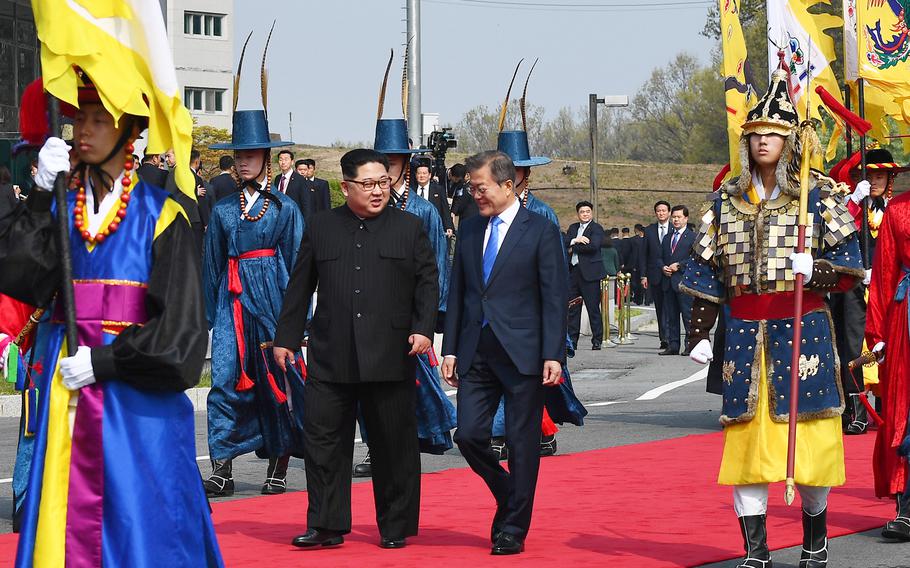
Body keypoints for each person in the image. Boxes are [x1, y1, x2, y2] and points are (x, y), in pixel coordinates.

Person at [0, 71, 223, 566]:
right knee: (65, 519)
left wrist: (106, 361)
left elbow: (182, 335)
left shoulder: (163, 216)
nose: (84, 129)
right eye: (80, 119)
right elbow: (20, 278)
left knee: (143, 518)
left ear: (130, 134)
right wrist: (38, 193)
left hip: (134, 401)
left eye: (99, 121)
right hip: (68, 394)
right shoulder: (60, 209)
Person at [680, 64, 863, 568]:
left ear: (789, 141)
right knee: (746, 449)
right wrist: (698, 332)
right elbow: (705, 271)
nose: (762, 141)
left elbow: (852, 269)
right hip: (742, 335)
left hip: (803, 330)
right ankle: (756, 551)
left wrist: (819, 269)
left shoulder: (820, 195)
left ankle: (815, 540)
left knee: (810, 447)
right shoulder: (724, 203)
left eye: (772, 134)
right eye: (755, 133)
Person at [273, 148, 439, 550]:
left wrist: (423, 329)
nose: (378, 190)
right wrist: (287, 338)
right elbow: (300, 285)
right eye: (368, 184)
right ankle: (326, 525)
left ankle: (395, 526)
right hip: (333, 353)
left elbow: (428, 283)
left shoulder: (409, 227)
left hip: (391, 352)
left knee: (393, 444)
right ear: (345, 187)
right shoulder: (322, 226)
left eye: (384, 182)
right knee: (324, 442)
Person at [442, 150, 568, 555]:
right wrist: (451, 350)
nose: (474, 195)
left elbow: (554, 295)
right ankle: (510, 492)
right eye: (470, 188)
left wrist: (554, 353)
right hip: (476, 351)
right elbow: (459, 291)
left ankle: (513, 527)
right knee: (470, 435)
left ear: (508, 185)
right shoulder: (471, 229)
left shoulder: (540, 230)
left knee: (521, 440)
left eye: (480, 188)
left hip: (525, 353)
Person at [202, 40, 307, 498]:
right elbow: (210, 264)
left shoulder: (285, 207)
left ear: (267, 155)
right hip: (232, 302)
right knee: (224, 379)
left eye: (252, 152)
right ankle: (222, 468)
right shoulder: (223, 209)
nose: (244, 159)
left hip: (274, 300)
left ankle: (278, 468)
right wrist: (210, 316)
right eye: (238, 153)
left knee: (275, 379)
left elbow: (301, 265)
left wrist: (298, 319)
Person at [352, 59, 455, 478]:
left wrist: (430, 320)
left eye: (395, 160)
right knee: (366, 389)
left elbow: (436, 269)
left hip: (409, 313)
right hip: (367, 313)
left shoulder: (423, 211)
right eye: (383, 159)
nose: (389, 167)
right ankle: (378, 447)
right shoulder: (361, 207)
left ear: (406, 163)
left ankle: (406, 444)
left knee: (407, 387)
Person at [829, 147, 903, 434]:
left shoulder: (897, 209)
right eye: (868, 175)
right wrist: (854, 201)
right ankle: (856, 410)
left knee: (889, 344)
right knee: (852, 345)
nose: (874, 181)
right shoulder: (850, 206)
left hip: (888, 287)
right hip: (853, 287)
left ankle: (888, 404)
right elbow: (835, 232)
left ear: (889, 179)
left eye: (880, 176)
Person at [866, 183, 910, 541]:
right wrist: (877, 331)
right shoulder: (898, 209)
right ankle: (907, 507)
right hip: (907, 319)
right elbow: (883, 273)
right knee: (905, 412)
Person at [565, 200, 607, 351]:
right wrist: (576, 240)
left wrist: (573, 247)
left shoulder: (596, 228)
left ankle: (597, 340)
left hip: (590, 274)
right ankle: (572, 340)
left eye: (587, 212)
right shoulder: (573, 228)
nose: (585, 214)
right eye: (582, 212)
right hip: (573, 272)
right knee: (572, 309)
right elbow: (564, 241)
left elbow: (593, 246)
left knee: (593, 308)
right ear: (578, 214)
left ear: (592, 213)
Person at [659, 205, 695, 356]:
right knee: (671, 316)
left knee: (688, 315)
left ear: (686, 218)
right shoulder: (667, 237)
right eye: (674, 217)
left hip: (684, 282)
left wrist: (679, 265)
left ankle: (690, 344)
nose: (676, 220)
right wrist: (663, 267)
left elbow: (696, 259)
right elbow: (659, 256)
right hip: (668, 282)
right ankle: (673, 345)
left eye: (679, 217)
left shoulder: (693, 237)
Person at [640, 200, 672, 350]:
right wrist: (643, 275)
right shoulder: (649, 230)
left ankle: (674, 337)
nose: (661, 213)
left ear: (669, 212)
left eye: (664, 210)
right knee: (660, 307)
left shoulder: (675, 228)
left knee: (671, 307)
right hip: (655, 274)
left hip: (672, 274)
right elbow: (643, 254)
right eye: (658, 211)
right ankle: (664, 338)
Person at [412, 158, 454, 236]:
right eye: (419, 173)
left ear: (429, 175)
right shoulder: (411, 190)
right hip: (414, 228)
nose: (422, 176)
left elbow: (445, 209)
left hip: (433, 228)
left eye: (424, 173)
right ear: (415, 175)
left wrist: (449, 226)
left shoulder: (439, 190)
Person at [272, 149, 313, 219]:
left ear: (292, 162)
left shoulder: (300, 179)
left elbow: (306, 204)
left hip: (293, 218)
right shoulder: (277, 178)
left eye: (286, 159)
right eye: (280, 160)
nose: (283, 162)